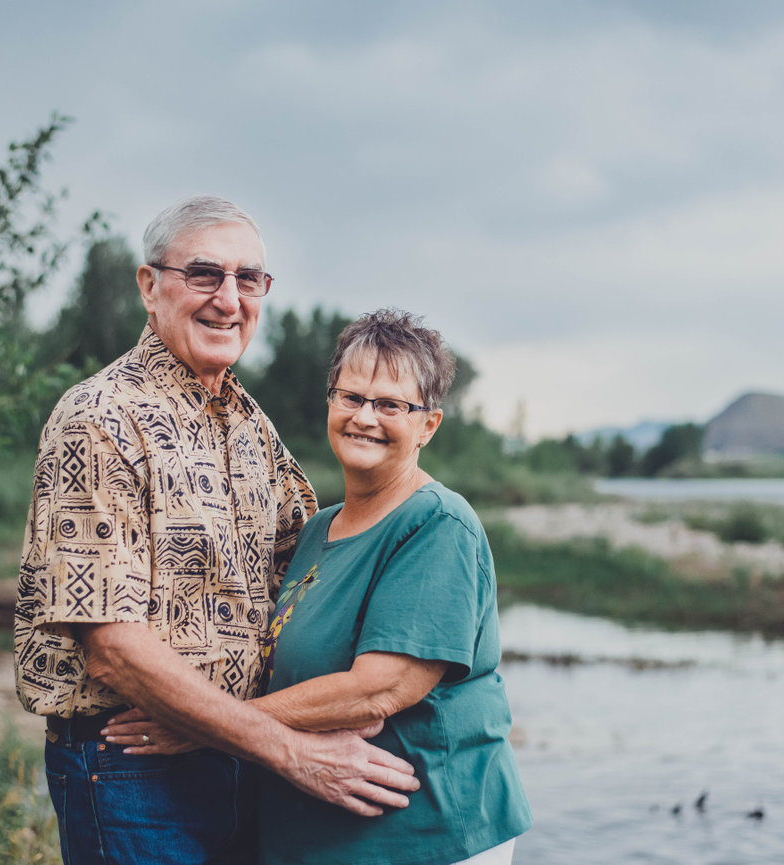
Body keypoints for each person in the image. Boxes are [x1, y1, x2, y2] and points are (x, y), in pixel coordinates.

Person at [14, 197, 419, 865]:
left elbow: (312, 578)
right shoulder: (100, 418)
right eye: (204, 274)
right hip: (132, 767)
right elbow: (112, 649)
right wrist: (291, 750)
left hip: (240, 758)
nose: (228, 300)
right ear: (150, 286)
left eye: (248, 279)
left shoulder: (252, 425)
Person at [107, 309, 532, 864]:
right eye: (350, 397)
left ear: (428, 425)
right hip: (325, 840)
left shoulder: (437, 523)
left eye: (390, 405)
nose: (364, 417)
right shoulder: (316, 530)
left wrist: (206, 726)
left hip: (428, 836)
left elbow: (377, 691)